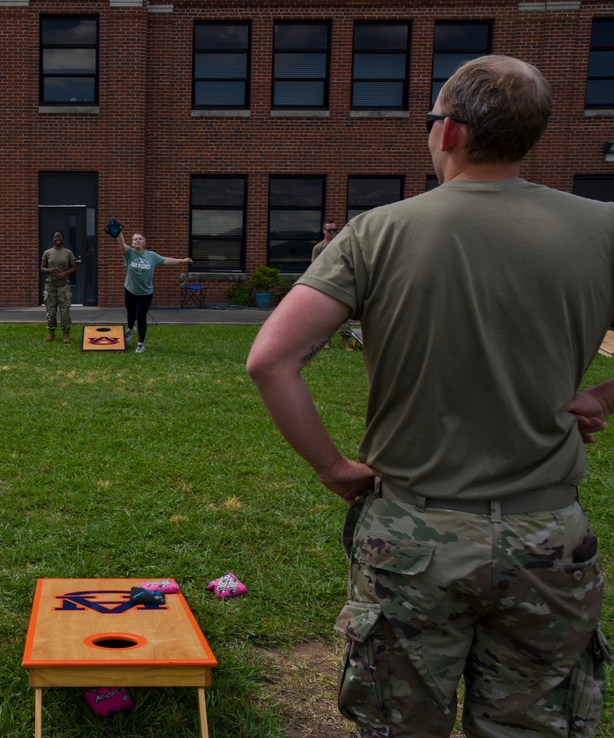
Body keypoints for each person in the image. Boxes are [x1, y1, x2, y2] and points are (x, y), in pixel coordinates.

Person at [247, 55, 614, 738]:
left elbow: (271, 360)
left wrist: (332, 470)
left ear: (448, 132)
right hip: (549, 538)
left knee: (399, 725)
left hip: (414, 537)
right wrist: (603, 395)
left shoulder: (378, 232)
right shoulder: (603, 227)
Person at [116, 229, 192, 353]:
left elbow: (165, 260)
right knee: (131, 313)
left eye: (140, 239)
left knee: (141, 316)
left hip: (145, 293)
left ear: (144, 242)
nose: (137, 240)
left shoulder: (151, 256)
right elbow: (122, 245)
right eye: (135, 239)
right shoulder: (129, 253)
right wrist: (119, 233)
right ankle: (130, 330)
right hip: (130, 289)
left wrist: (181, 261)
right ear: (132, 243)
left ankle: (140, 343)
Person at [310, 219, 354, 350]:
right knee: (325, 314)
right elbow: (314, 267)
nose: (333, 233)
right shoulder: (318, 247)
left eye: (335, 230)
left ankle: (346, 342)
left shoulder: (341, 246)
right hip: (324, 284)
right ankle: (326, 341)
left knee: (344, 314)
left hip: (340, 283)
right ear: (324, 231)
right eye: (330, 230)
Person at [40, 230, 77, 343]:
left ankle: (66, 334)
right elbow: (42, 268)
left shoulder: (68, 252)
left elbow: (74, 267)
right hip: (50, 286)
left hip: (63, 286)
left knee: (64, 311)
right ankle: (51, 333)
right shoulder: (47, 253)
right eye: (56, 237)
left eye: (59, 236)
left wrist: (64, 274)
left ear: (63, 238)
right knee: (51, 311)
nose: (58, 238)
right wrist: (50, 270)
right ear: (53, 239)